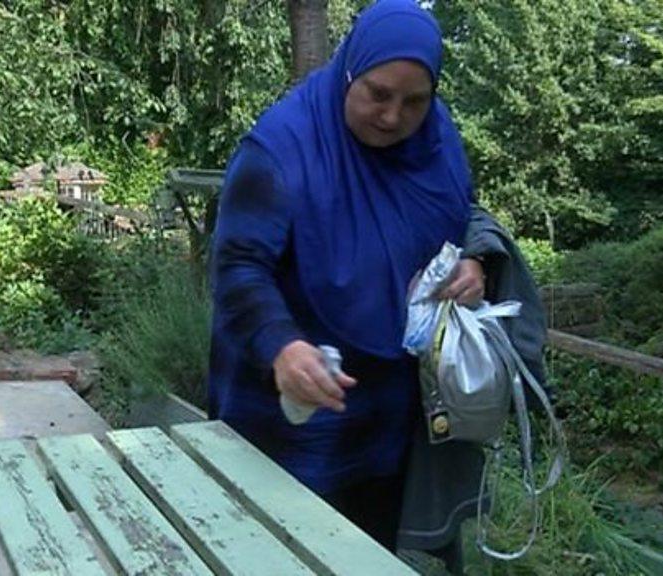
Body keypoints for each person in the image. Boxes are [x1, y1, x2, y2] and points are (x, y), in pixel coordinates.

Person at [207, 0, 486, 551]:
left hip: (387, 410)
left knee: (364, 552)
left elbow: (463, 212)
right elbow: (239, 266)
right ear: (349, 70)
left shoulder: (436, 141)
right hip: (289, 408)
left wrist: (474, 260)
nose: (392, 117)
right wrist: (282, 347)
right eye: (378, 94)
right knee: (272, 550)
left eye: (415, 102)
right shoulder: (281, 149)